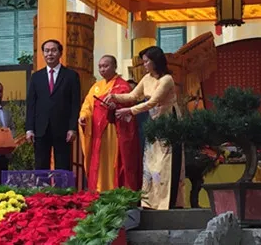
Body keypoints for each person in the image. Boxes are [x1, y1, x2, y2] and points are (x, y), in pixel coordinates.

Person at [105, 46, 184, 210]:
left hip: (168, 124)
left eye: (147, 61)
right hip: (153, 124)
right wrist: (114, 96)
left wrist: (130, 111)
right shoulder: (147, 78)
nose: (144, 64)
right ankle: (150, 202)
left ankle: (168, 202)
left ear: (156, 62)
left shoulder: (166, 79)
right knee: (151, 164)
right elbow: (133, 96)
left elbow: (152, 102)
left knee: (165, 165)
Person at [78, 55, 141, 192]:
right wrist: (83, 116)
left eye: (106, 66)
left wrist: (115, 106)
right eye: (100, 66)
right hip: (97, 133)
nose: (102, 69)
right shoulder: (96, 86)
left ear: (114, 66)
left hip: (113, 132)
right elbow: (87, 105)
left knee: (114, 162)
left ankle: (114, 191)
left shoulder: (122, 85)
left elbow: (129, 105)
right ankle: (99, 191)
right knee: (99, 163)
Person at [25, 39, 81, 171]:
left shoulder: (71, 76)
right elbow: (31, 104)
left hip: (63, 128)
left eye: (53, 50)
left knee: (63, 164)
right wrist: (29, 129)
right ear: (43, 54)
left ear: (60, 53)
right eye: (46, 51)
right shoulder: (36, 77)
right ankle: (42, 191)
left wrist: (72, 128)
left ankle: (63, 191)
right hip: (40, 128)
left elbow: (75, 104)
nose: (50, 54)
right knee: (40, 164)